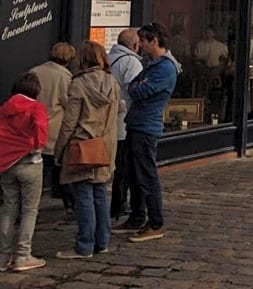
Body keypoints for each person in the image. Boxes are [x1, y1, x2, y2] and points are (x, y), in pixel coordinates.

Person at [54, 41, 120, 260]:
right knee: (100, 194)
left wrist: (59, 150)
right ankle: (102, 242)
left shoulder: (78, 84)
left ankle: (84, 245)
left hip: (83, 144)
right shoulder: (112, 82)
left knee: (83, 196)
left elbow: (69, 123)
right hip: (105, 145)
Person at [116, 22, 177, 243]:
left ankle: (155, 222)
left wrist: (137, 86)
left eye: (143, 41)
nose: (139, 45)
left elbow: (139, 90)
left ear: (154, 41)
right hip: (135, 123)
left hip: (146, 127)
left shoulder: (165, 68)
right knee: (133, 174)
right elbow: (133, 85)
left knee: (146, 175)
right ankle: (137, 216)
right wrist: (136, 86)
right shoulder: (152, 64)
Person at [0, 72, 49, 272]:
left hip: (7, 163)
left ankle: (3, 257)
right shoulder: (36, 107)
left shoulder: (4, 108)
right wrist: (38, 145)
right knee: (30, 210)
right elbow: (39, 125)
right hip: (30, 162)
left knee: (9, 209)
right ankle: (23, 255)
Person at [29, 42, 75, 211]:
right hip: (54, 130)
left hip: (33, 128)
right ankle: (69, 203)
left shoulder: (34, 71)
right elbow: (69, 103)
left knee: (37, 171)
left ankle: (30, 206)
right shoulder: (64, 77)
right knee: (59, 168)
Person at [107, 29, 144, 220]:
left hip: (107, 121)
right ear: (134, 45)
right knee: (123, 166)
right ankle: (118, 204)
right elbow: (135, 91)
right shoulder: (131, 62)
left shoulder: (107, 57)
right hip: (124, 120)